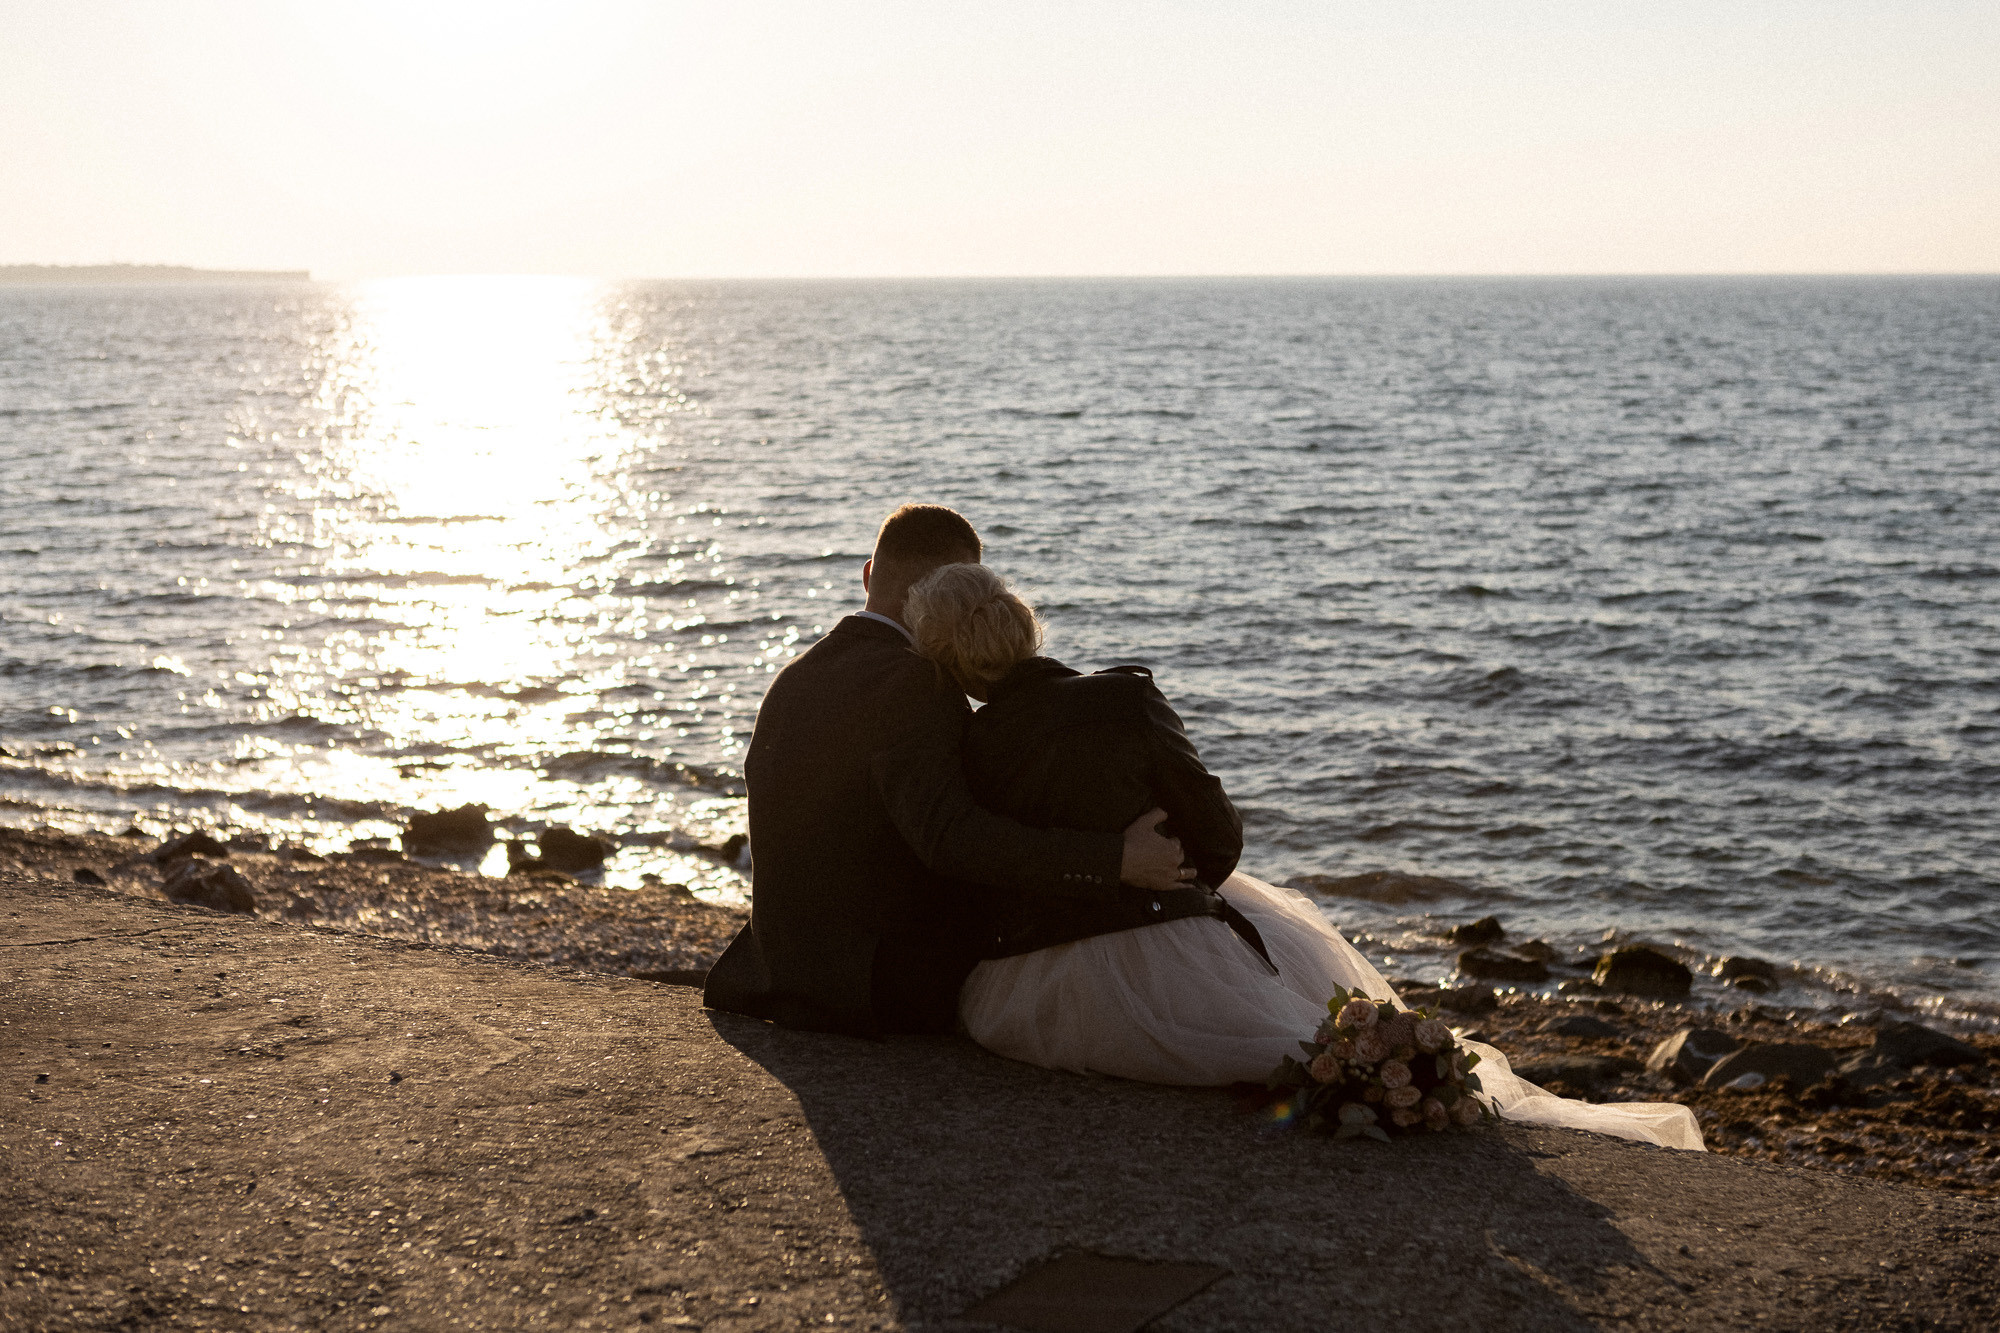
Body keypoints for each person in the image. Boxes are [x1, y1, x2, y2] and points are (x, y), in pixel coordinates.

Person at [904, 561, 1705, 1152]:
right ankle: (1405, 1072)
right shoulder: (1120, 697)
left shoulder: (962, 745)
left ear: (943, 662)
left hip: (1021, 1004)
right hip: (1147, 974)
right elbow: (1218, 839)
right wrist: (1171, 870)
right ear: (1021, 620)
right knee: (1292, 973)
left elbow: (988, 862)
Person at [702, 504, 1191, 1036]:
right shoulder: (915, 683)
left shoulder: (793, 678)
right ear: (949, 592)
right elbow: (952, 838)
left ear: (869, 573)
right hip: (879, 990)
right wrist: (1114, 859)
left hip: (779, 971)